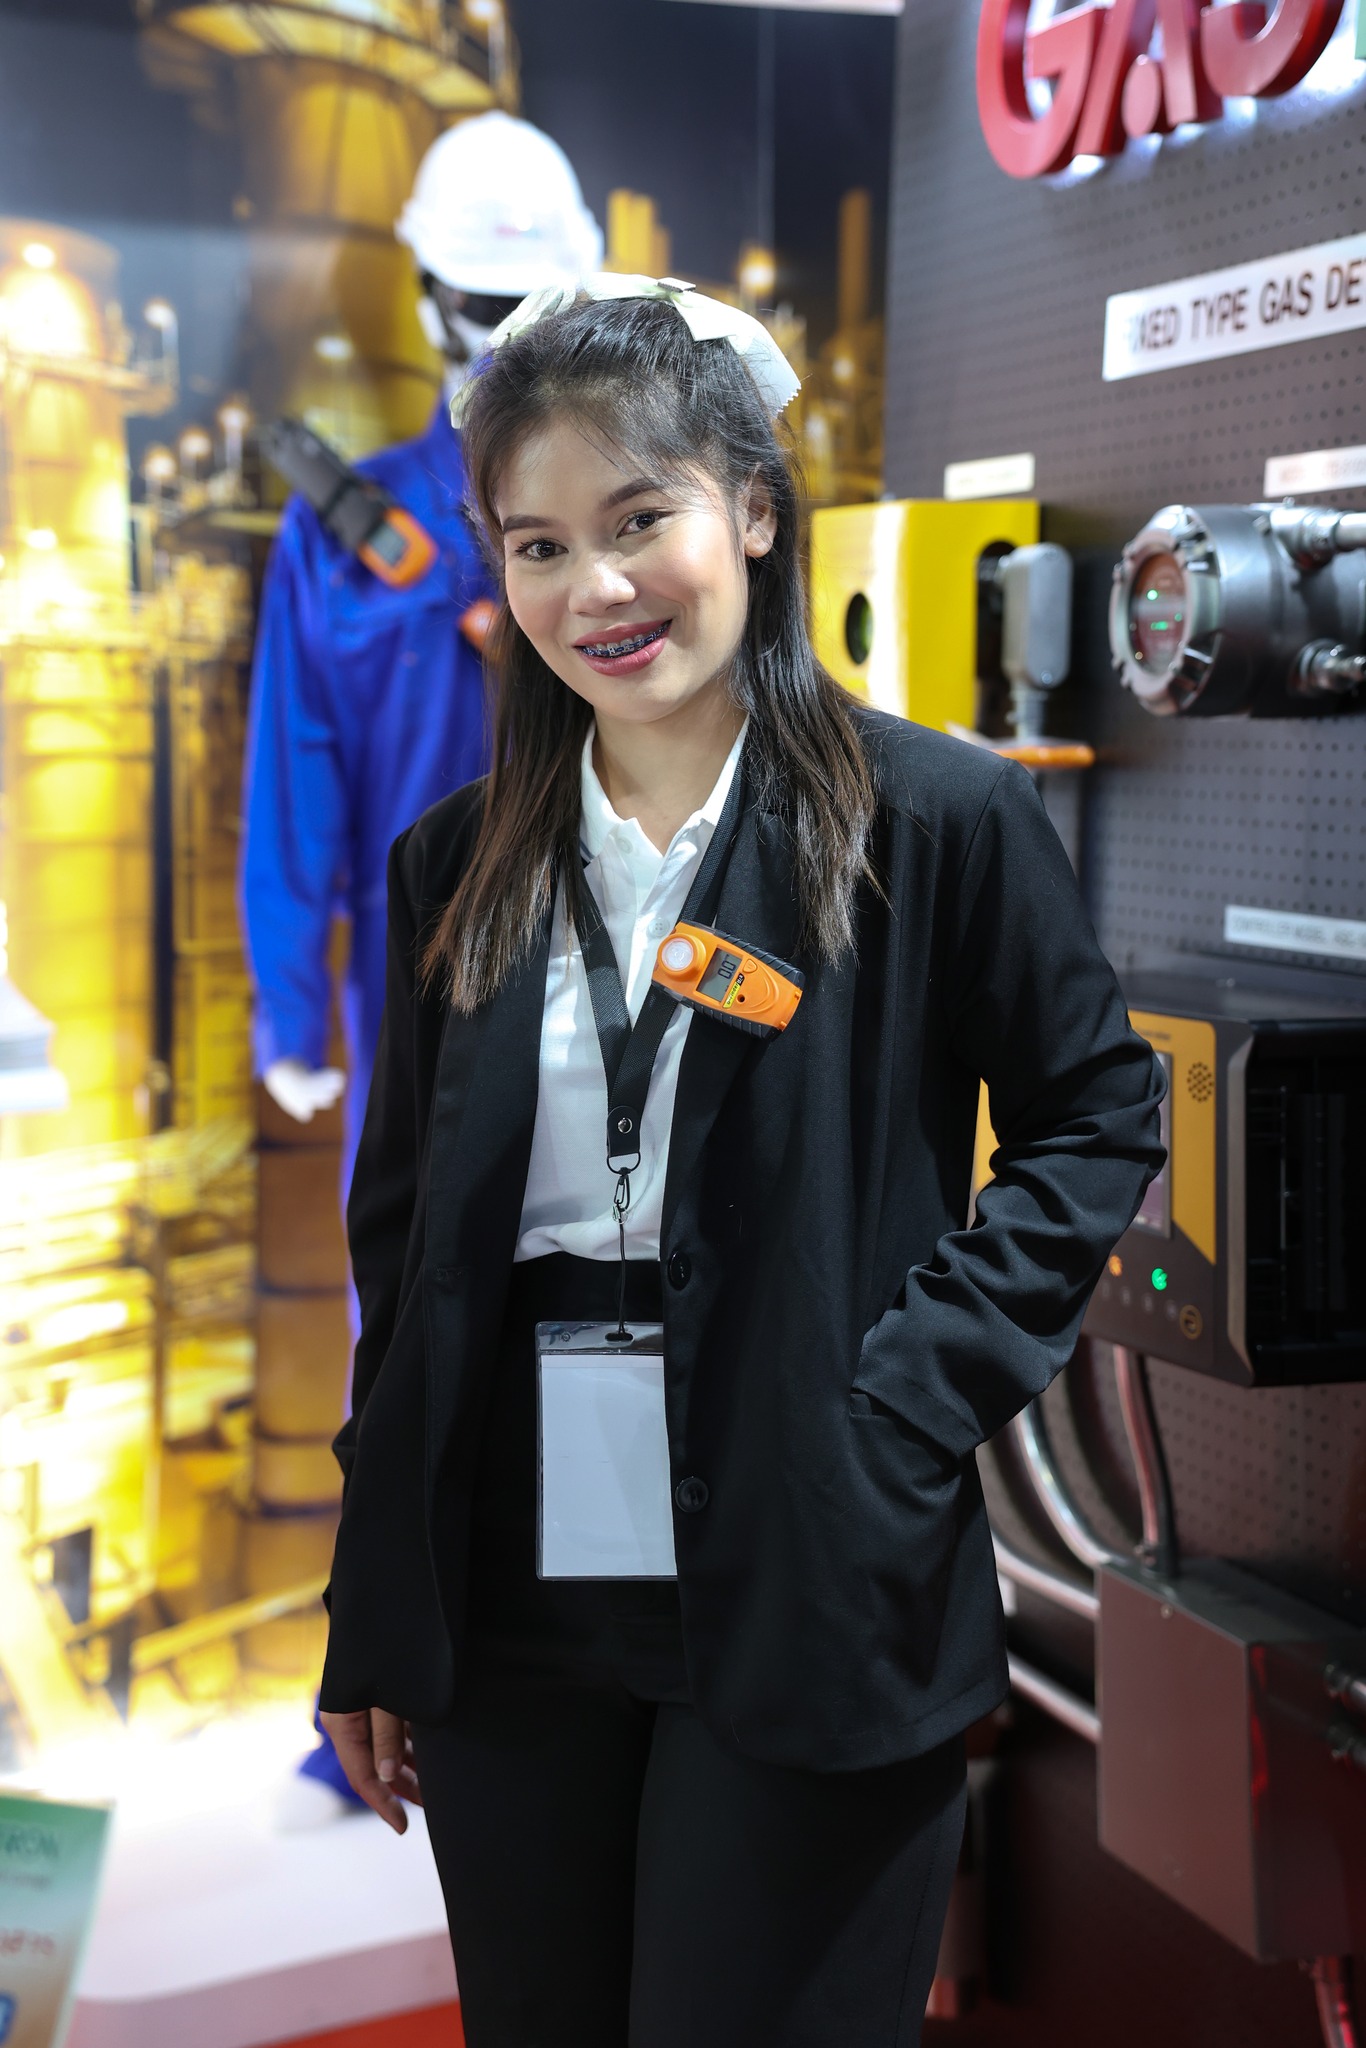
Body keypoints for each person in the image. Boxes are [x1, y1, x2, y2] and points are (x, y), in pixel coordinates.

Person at [317, 277, 1166, 2047]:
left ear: (755, 514)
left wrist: (904, 1396)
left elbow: (1095, 1114)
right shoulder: (454, 865)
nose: (595, 588)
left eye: (640, 521)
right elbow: (401, 1254)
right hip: (507, 1594)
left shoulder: (931, 819)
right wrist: (372, 1604)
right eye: (539, 546)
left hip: (805, 1555)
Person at [240, 114, 601, 1816]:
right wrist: (288, 998)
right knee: (406, 1336)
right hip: (427, 1002)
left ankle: (585, 1666)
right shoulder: (351, 529)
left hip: (620, 976)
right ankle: (387, 1680)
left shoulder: (626, 508)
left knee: (611, 1307)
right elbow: (295, 769)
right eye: (477, 302)